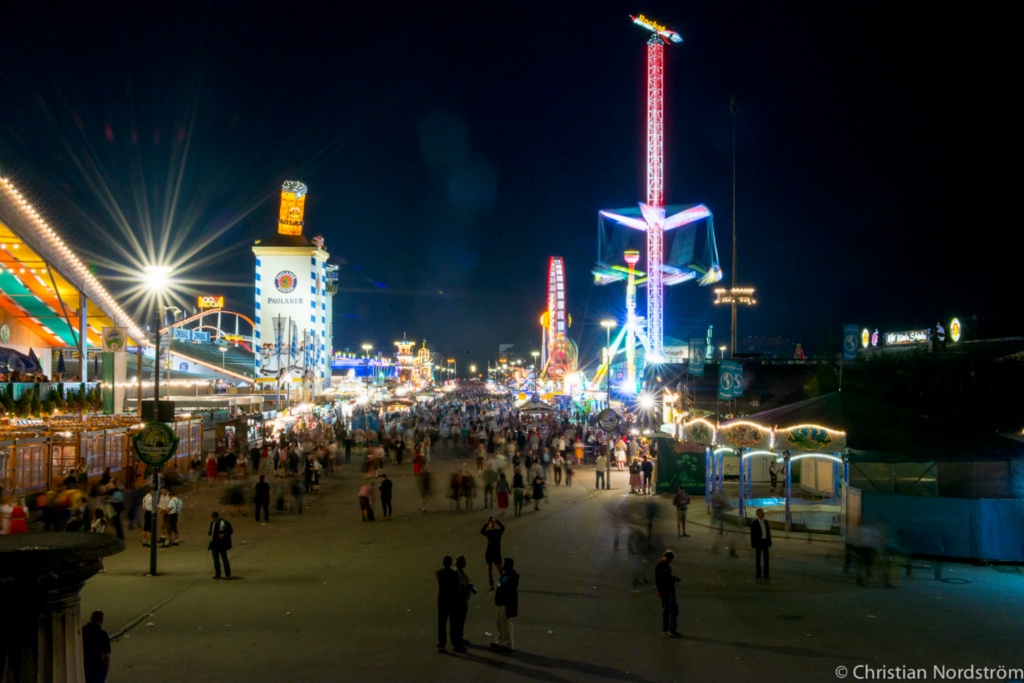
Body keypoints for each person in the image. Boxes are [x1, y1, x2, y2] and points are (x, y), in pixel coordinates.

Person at [491, 557, 519, 652]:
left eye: (503, 563)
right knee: (499, 622)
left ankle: (508, 644)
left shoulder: (511, 577)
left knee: (506, 624)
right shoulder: (505, 575)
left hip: (507, 604)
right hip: (501, 602)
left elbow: (508, 591)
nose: (502, 565)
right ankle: (500, 641)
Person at [436, 555, 461, 653]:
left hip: (442, 601)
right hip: (452, 601)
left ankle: (442, 643)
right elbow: (456, 589)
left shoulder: (439, 573)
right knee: (453, 623)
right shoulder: (454, 574)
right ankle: (455, 643)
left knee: (442, 623)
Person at [654, 550, 681, 636]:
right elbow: (659, 580)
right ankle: (667, 629)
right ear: (667, 558)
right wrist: (659, 590)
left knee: (672, 610)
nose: (672, 561)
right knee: (668, 609)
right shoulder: (660, 566)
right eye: (671, 559)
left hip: (669, 590)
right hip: (666, 591)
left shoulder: (666, 565)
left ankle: (670, 629)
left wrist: (673, 579)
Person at [453, 555, 476, 650]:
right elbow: (458, 587)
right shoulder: (456, 573)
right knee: (458, 621)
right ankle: (457, 640)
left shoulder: (460, 572)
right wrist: (467, 588)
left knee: (462, 620)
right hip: (460, 600)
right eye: (464, 561)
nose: (465, 563)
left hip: (464, 599)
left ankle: (459, 638)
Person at [82, 609, 111, 683]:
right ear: (101, 621)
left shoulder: (82, 631)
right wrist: (105, 670)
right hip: (97, 668)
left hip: (83, 666)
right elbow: (106, 657)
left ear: (91, 619)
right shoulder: (103, 634)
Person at [481, 517, 505, 590]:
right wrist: (486, 523)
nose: (491, 524)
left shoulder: (498, 531)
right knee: (490, 569)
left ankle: (503, 583)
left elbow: (503, 528)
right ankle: (491, 584)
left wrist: (497, 521)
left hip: (496, 552)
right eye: (490, 523)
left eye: (492, 523)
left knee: (500, 570)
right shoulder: (488, 532)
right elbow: (482, 531)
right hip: (490, 552)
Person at [208, 511, 233, 579]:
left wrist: (224, 534)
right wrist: (209, 532)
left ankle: (228, 574)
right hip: (214, 543)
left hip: (222, 544)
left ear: (217, 517)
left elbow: (230, 531)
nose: (213, 519)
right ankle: (217, 574)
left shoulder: (224, 522)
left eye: (214, 518)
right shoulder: (213, 523)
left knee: (224, 559)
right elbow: (210, 532)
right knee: (216, 560)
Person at [750, 508, 772, 579]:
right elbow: (752, 535)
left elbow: (768, 532)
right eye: (761, 513)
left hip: (765, 542)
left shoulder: (766, 522)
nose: (763, 514)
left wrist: (769, 542)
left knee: (766, 559)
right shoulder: (754, 523)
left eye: (763, 512)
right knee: (758, 558)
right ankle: (758, 573)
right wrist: (753, 544)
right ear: (758, 514)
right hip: (758, 543)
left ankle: (766, 574)